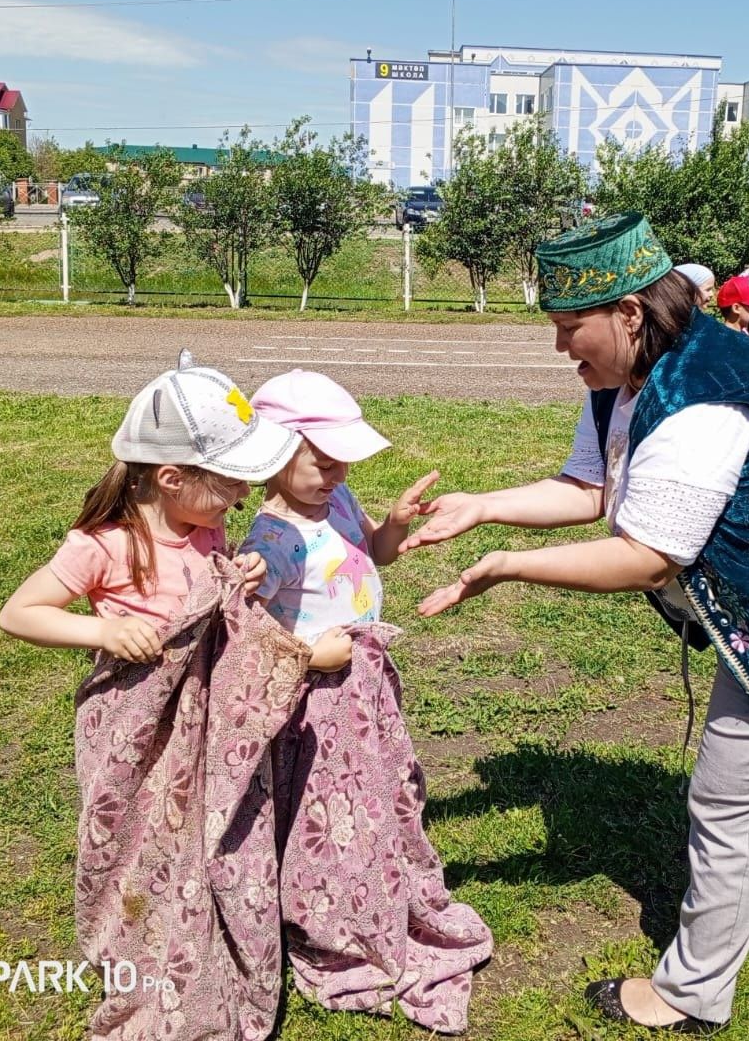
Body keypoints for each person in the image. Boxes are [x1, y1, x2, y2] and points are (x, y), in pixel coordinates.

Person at [399, 212, 749, 1033]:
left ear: (626, 312)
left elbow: (647, 555)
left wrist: (508, 566)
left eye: (565, 328)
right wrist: (484, 509)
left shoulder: (704, 394)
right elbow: (593, 489)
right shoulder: (627, 380)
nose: (559, 350)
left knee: (733, 803)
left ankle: (689, 993)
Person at [0, 358, 323, 1040]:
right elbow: (20, 613)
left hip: (206, 721)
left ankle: (208, 936)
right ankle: (143, 941)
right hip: (137, 730)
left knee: (210, 832)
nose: (241, 494)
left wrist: (243, 572)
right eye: (228, 480)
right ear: (171, 478)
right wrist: (105, 628)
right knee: (142, 842)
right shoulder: (106, 545)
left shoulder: (203, 526)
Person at [239, 369, 494, 1033]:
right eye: (319, 458)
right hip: (317, 697)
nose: (335, 469)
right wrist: (306, 656)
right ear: (271, 452)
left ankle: (377, 854)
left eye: (343, 456)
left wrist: (396, 527)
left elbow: (371, 550)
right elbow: (247, 635)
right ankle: (326, 895)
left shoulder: (341, 500)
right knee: (326, 800)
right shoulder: (273, 540)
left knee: (381, 785)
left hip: (364, 682)